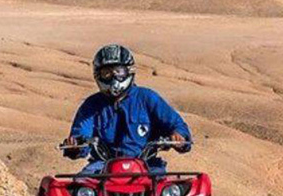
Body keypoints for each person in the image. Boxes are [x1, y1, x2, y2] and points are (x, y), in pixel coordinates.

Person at [62, 44, 191, 173]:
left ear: (129, 71)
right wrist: (75, 145)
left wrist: (178, 137)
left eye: (119, 71)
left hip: (147, 165)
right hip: (102, 166)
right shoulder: (91, 105)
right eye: (106, 73)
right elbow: (81, 134)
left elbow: (176, 124)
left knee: (170, 190)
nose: (113, 78)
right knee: (77, 188)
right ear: (98, 75)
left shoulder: (147, 98)